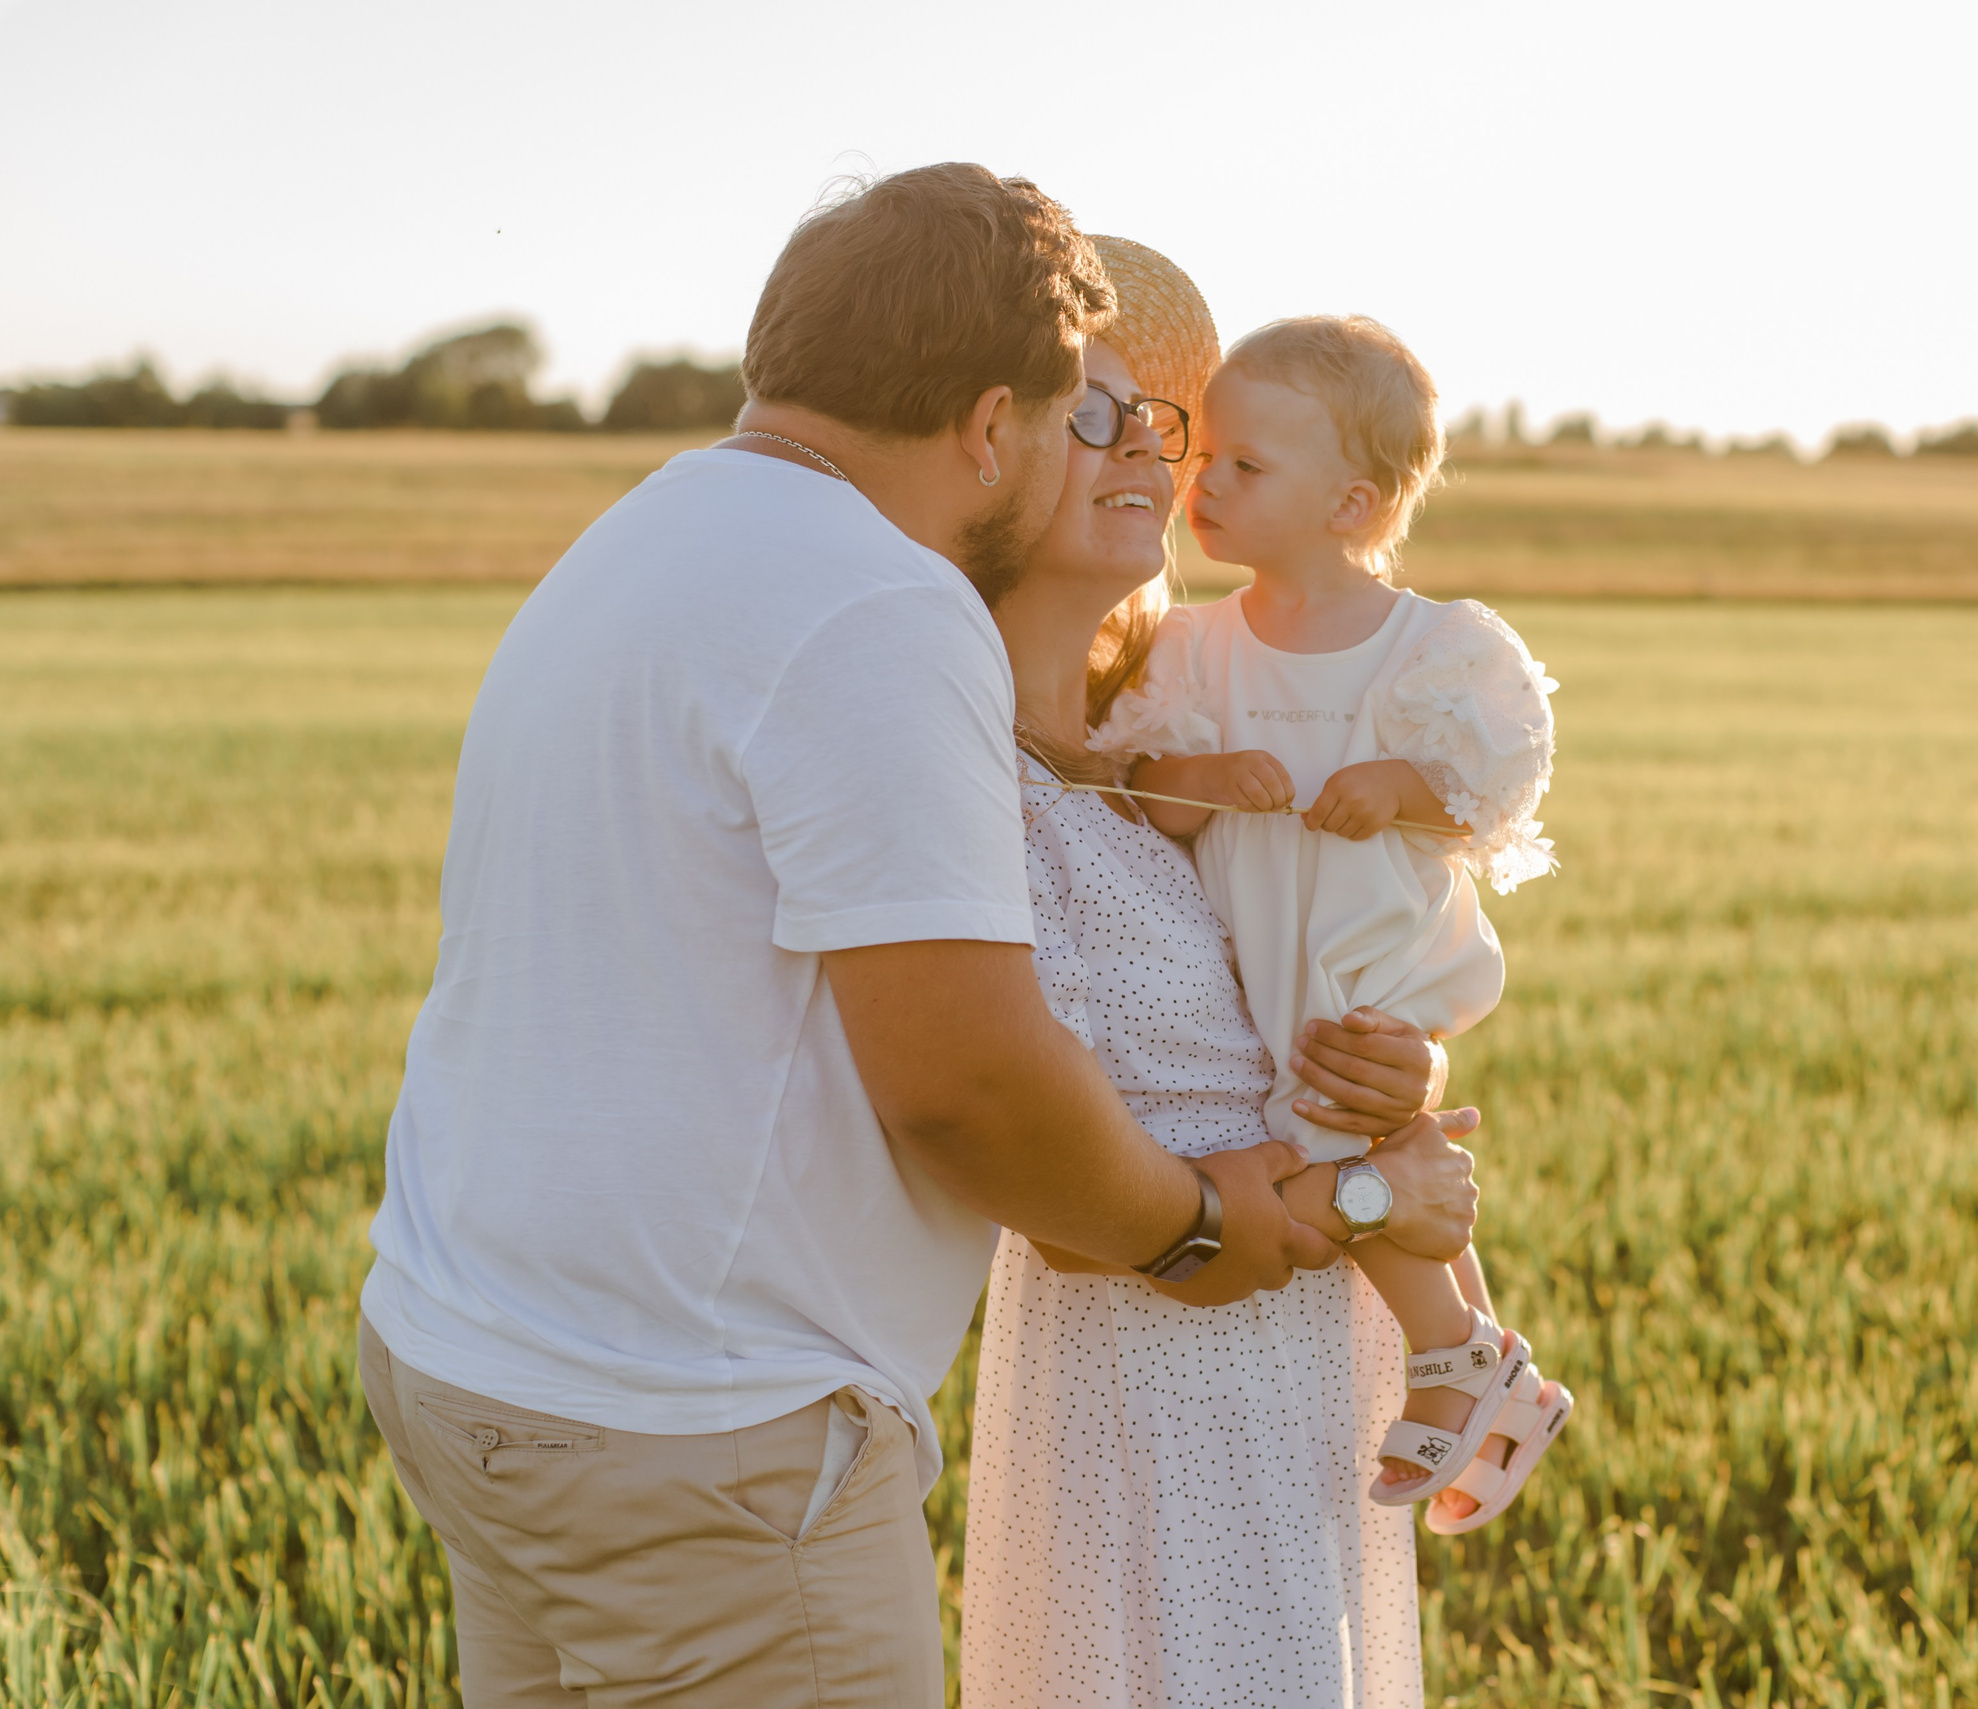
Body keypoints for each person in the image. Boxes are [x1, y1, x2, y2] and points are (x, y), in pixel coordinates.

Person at [355, 167, 1429, 1708]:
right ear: (995, 425)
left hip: (469, 1355)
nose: (1114, 449)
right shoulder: (881, 604)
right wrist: (1198, 1227)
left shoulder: (651, 528)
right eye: (1080, 413)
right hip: (700, 1432)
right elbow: (967, 1082)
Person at [960, 239, 1483, 1709]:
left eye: (1161, 420)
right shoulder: (966, 770)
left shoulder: (1154, 741)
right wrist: (1373, 1195)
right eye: (1094, 411)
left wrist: (1407, 1070)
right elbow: (1044, 1167)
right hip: (1143, 1383)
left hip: (1298, 1364)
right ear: (986, 454)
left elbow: (1282, 975)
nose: (1149, 446)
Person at [1090, 315, 1572, 1531]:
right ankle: (1494, 1367)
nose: (1206, 482)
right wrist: (1207, 782)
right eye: (1212, 456)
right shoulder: (1195, 648)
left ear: (1352, 502)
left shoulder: (1434, 648)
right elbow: (1147, 791)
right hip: (1263, 940)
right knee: (1364, 1123)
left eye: (1249, 467)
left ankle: (1451, 1347)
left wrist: (1398, 789)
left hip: (1366, 942)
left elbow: (1492, 786)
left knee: (1337, 1103)